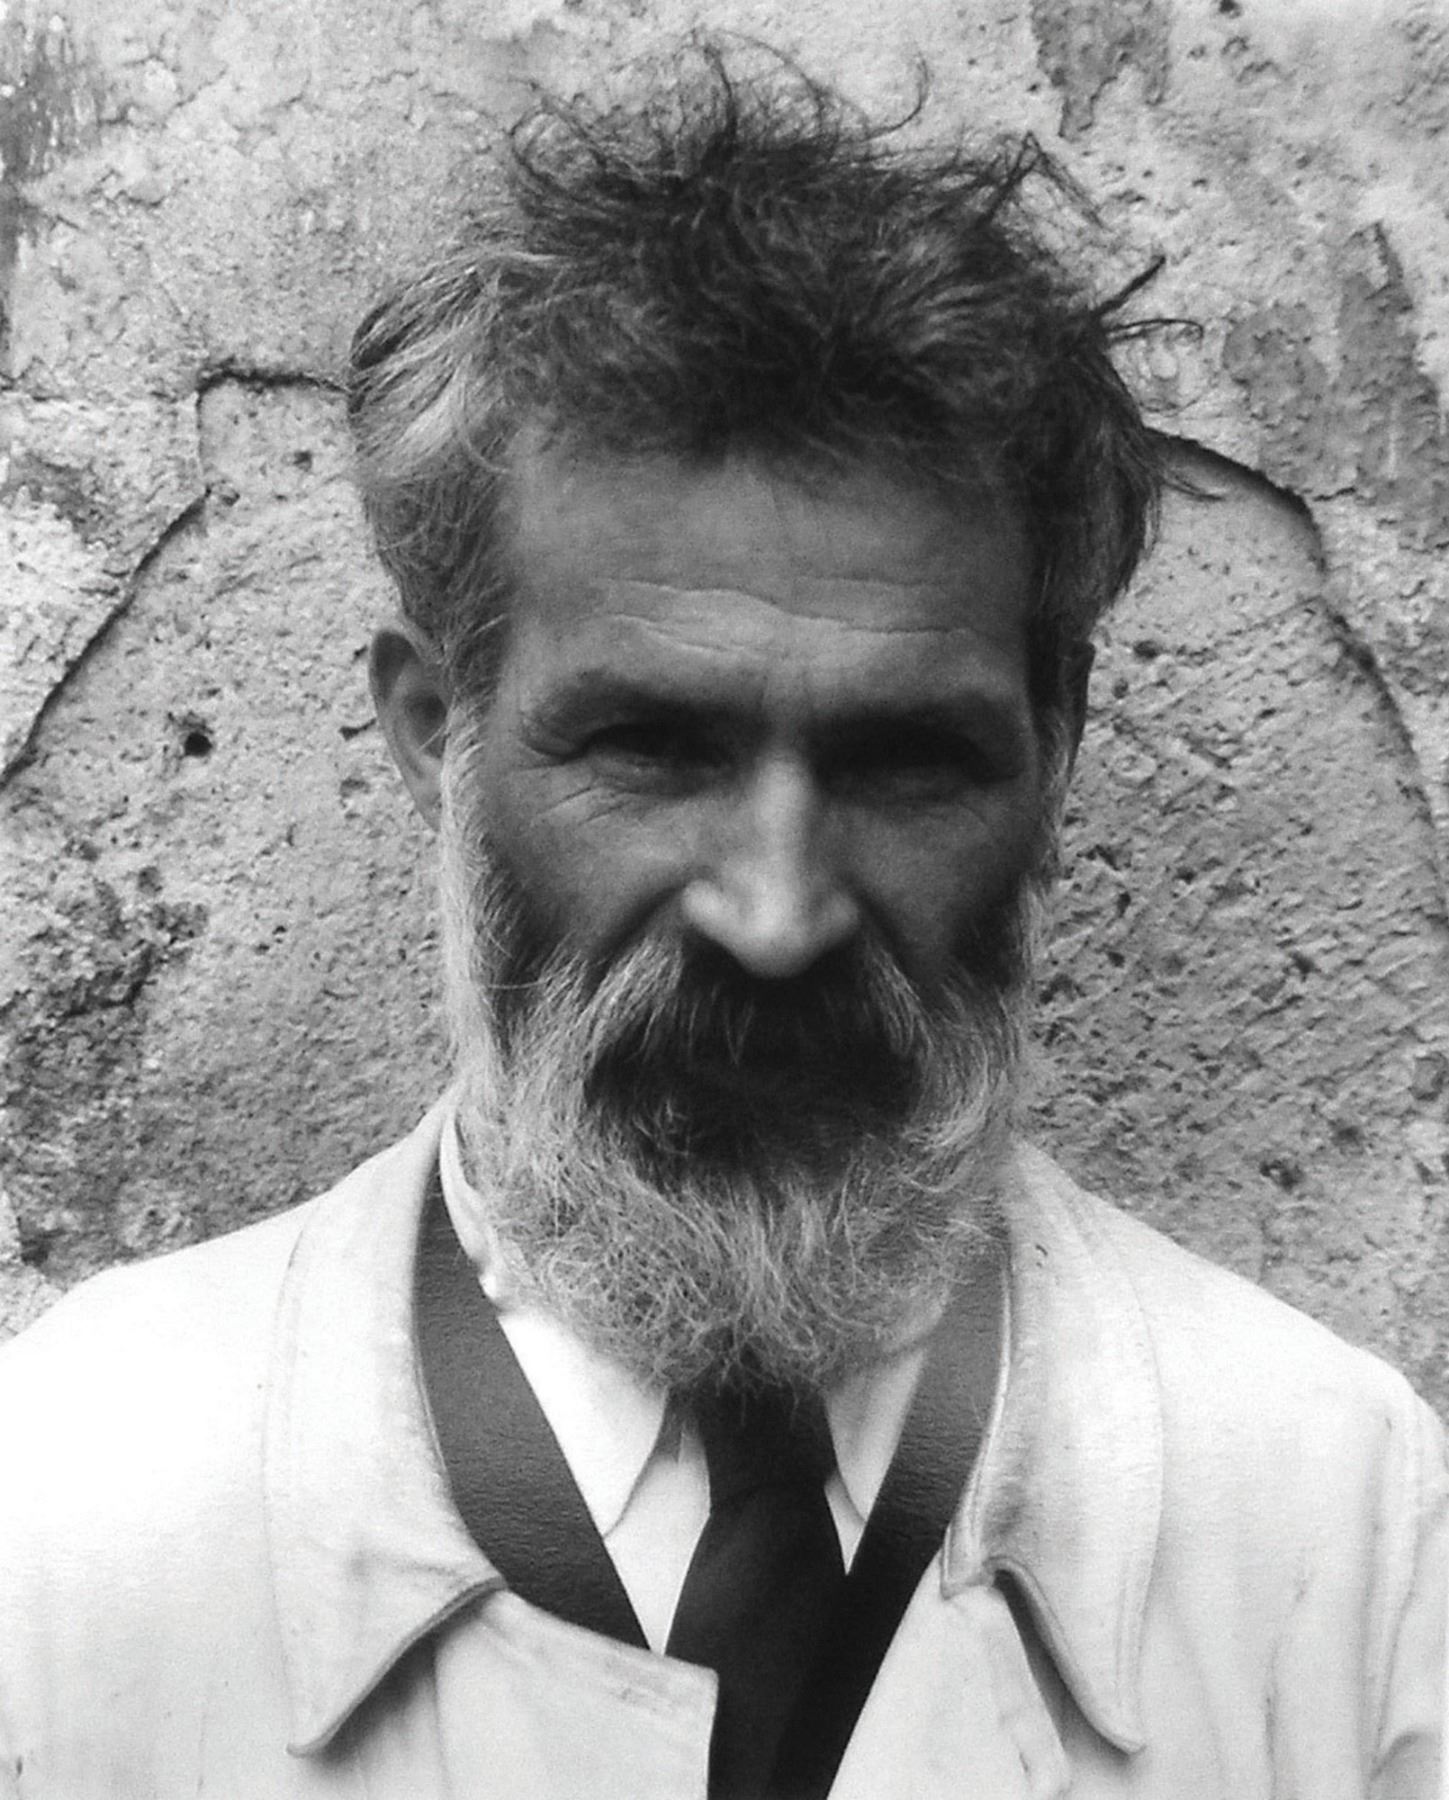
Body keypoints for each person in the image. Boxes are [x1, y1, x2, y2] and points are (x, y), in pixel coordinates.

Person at [0, 51, 1443, 1800]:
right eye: (652, 749)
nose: (774, 916)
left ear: (1053, 746)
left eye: (904, 764)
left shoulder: (1336, 1537)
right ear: (437, 730)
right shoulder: (65, 1519)